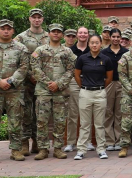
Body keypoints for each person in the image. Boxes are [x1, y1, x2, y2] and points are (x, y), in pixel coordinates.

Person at [0, 19, 29, 163]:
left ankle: (16, 150)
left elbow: (24, 67)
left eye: (9, 28)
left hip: (14, 90)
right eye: (3, 28)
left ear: (13, 31)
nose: (6, 31)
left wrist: (10, 81)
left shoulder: (21, 48)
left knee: (15, 121)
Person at [30, 23, 76, 160]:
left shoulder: (67, 52)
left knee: (60, 121)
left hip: (60, 92)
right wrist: (48, 83)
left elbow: (71, 70)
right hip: (43, 91)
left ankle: (57, 148)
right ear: (49, 33)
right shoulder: (40, 50)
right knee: (42, 121)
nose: (56, 34)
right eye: (53, 31)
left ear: (62, 35)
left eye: (58, 32)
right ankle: (43, 149)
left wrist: (59, 84)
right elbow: (35, 68)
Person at [73, 35, 113, 160]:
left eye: (97, 43)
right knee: (84, 124)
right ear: (88, 44)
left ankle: (101, 149)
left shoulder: (106, 59)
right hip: (85, 93)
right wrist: (85, 86)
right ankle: (81, 150)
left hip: (100, 93)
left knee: (99, 124)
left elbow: (109, 78)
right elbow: (77, 76)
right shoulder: (82, 58)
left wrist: (99, 87)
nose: (94, 45)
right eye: (92, 43)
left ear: (101, 44)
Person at [15, 8, 49, 156]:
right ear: (29, 19)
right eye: (34, 17)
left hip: (43, 82)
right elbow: (16, 59)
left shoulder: (49, 36)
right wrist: (30, 75)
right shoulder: (21, 38)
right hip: (26, 82)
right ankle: (24, 143)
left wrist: (42, 77)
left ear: (42, 19)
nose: (36, 20)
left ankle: (37, 142)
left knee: (41, 113)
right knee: (26, 113)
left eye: (39, 17)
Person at [65, 26, 92, 152]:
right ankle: (71, 142)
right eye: (80, 33)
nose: (82, 35)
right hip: (74, 82)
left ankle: (87, 142)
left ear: (88, 35)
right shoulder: (70, 50)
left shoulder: (92, 49)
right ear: (77, 35)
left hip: (89, 81)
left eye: (85, 33)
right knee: (73, 113)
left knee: (87, 113)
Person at [101, 29, 128, 152]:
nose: (116, 39)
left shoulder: (126, 52)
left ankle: (119, 140)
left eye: (118, 36)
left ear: (121, 38)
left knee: (120, 113)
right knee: (108, 112)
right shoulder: (104, 52)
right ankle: (109, 141)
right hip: (109, 83)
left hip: (122, 84)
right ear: (110, 37)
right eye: (114, 36)